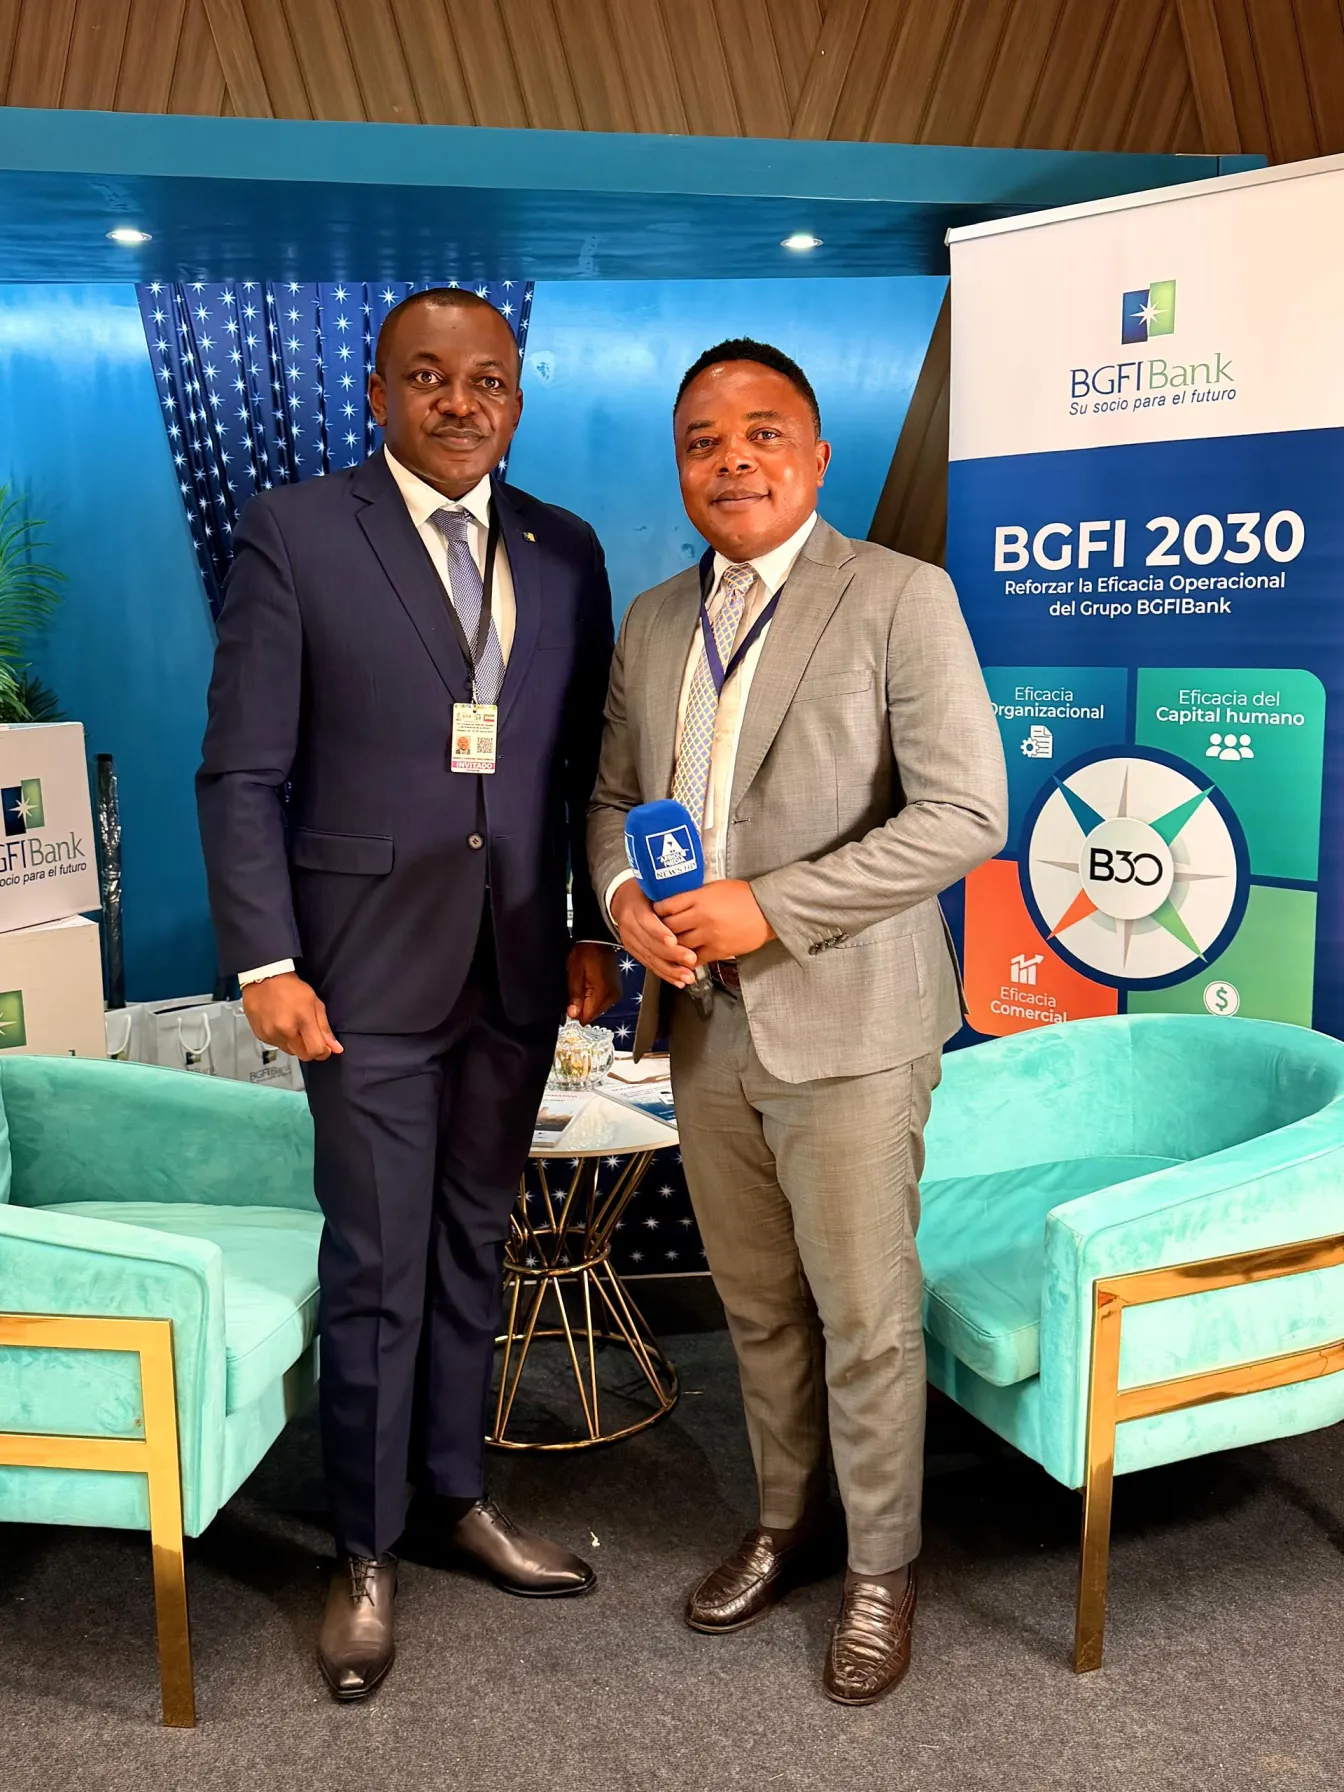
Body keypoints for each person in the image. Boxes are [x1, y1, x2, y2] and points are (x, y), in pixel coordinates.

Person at [198, 288, 621, 1701]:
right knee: (377, 1262)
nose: (459, 402)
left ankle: (454, 1498)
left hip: (517, 963)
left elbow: (576, 766)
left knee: (471, 1247)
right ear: (378, 394)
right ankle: (364, 1548)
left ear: (518, 399)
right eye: (427, 377)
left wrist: (586, 927)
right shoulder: (297, 531)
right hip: (358, 972)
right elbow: (241, 772)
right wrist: (267, 961)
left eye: (486, 380)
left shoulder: (565, 548)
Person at [588, 340, 1007, 1705]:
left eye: (763, 432)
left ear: (816, 456)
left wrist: (767, 907)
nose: (733, 460)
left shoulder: (898, 596)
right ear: (683, 468)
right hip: (702, 1027)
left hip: (852, 1023)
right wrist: (623, 904)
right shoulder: (656, 619)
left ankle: (883, 1566)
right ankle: (791, 1522)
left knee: (866, 1316)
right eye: (703, 441)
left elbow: (965, 813)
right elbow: (612, 800)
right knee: (760, 1309)